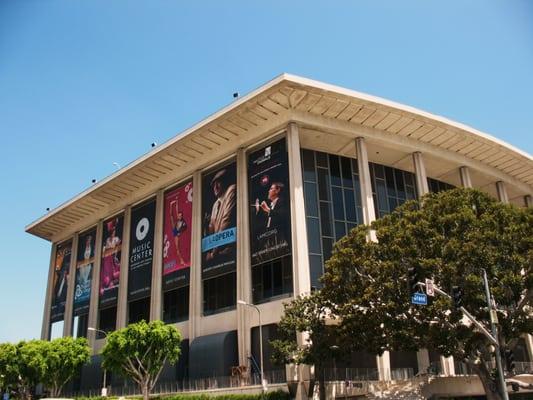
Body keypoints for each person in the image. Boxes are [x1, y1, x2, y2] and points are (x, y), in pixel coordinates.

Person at [204, 168, 236, 262]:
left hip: (229, 248)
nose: (215, 187)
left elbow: (227, 220)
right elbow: (212, 229)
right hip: (218, 250)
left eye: (218, 182)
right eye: (214, 184)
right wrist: (207, 226)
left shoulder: (231, 190)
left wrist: (214, 253)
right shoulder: (215, 204)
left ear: (225, 182)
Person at [100, 219, 121, 295]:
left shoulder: (116, 239)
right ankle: (107, 283)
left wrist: (115, 251)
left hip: (112, 258)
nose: (113, 233)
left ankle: (111, 282)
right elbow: (104, 250)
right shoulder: (108, 239)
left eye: (113, 231)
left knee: (116, 271)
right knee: (107, 274)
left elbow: (119, 245)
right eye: (112, 232)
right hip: (107, 258)